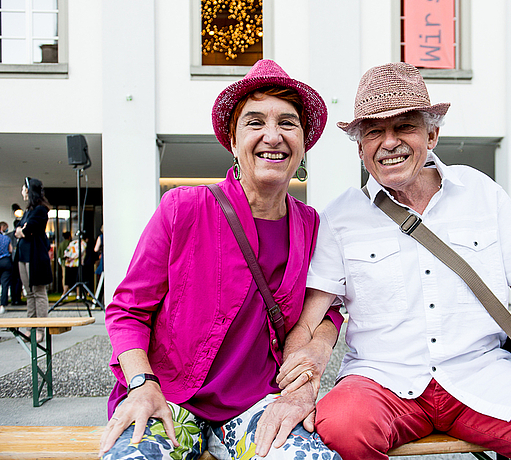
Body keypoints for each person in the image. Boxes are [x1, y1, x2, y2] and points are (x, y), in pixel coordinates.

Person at [279, 63, 511, 460]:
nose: (389, 142)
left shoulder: (482, 193)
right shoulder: (340, 216)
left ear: (432, 134)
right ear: (360, 147)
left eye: (405, 127)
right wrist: (301, 385)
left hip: (485, 375)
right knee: (339, 428)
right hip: (380, 380)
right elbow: (310, 320)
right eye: (374, 132)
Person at [99, 59, 344, 460]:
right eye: (255, 123)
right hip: (170, 397)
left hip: (257, 403)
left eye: (287, 122)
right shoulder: (183, 207)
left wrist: (310, 366)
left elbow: (326, 309)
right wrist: (142, 385)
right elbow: (128, 311)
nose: (273, 135)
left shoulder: (312, 225)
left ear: (303, 142)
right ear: (232, 140)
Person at [14, 177, 53, 339]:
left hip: (35, 256)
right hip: (23, 256)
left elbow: (27, 229)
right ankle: (30, 326)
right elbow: (19, 228)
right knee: (29, 293)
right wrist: (22, 229)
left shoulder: (40, 210)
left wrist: (23, 230)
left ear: (30, 191)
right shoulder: (29, 211)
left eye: (24, 188)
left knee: (38, 292)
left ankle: (41, 329)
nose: (22, 191)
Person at [0, 221, 12, 314]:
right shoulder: (6, 238)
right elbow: (11, 250)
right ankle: (2, 305)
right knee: (5, 284)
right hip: (6, 261)